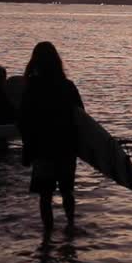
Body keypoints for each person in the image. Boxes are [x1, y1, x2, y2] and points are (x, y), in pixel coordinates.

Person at [19, 42, 83, 232]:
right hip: (66, 148)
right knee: (67, 191)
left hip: (42, 148)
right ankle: (71, 226)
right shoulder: (68, 86)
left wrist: (27, 149)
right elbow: (81, 117)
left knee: (45, 196)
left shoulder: (32, 88)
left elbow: (23, 121)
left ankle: (47, 239)